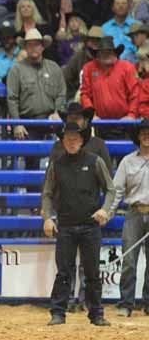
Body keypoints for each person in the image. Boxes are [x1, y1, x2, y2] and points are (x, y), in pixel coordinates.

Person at [42, 122, 115, 326]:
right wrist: (47, 217)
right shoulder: (56, 164)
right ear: (63, 141)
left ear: (82, 140)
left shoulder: (95, 161)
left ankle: (96, 313)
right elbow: (47, 194)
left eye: (75, 138)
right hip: (65, 225)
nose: (71, 142)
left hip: (90, 225)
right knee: (64, 271)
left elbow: (110, 189)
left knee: (92, 271)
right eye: (68, 138)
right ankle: (58, 312)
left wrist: (105, 210)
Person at [110, 119, 149, 317]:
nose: (146, 135)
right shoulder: (128, 161)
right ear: (138, 136)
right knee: (129, 261)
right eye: (143, 132)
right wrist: (108, 212)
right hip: (134, 212)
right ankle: (126, 303)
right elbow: (116, 190)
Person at [7, 28, 66, 138]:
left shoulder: (54, 68)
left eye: (37, 44)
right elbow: (12, 99)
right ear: (25, 48)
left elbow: (61, 93)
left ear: (42, 47)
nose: (33, 48)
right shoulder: (16, 69)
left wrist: (58, 112)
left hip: (52, 121)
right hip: (27, 124)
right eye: (29, 45)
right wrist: (17, 124)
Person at [80, 37, 139, 139]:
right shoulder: (88, 68)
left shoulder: (127, 67)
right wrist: (91, 114)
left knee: (125, 152)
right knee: (101, 152)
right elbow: (85, 94)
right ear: (97, 55)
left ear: (115, 53)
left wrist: (131, 115)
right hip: (99, 122)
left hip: (125, 121)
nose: (106, 55)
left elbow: (136, 93)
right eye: (102, 52)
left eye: (109, 52)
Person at [62, 26, 103, 100]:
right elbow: (65, 77)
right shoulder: (79, 56)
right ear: (87, 42)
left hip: (102, 94)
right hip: (80, 95)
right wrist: (73, 94)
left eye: (98, 40)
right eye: (92, 40)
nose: (95, 43)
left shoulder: (106, 58)